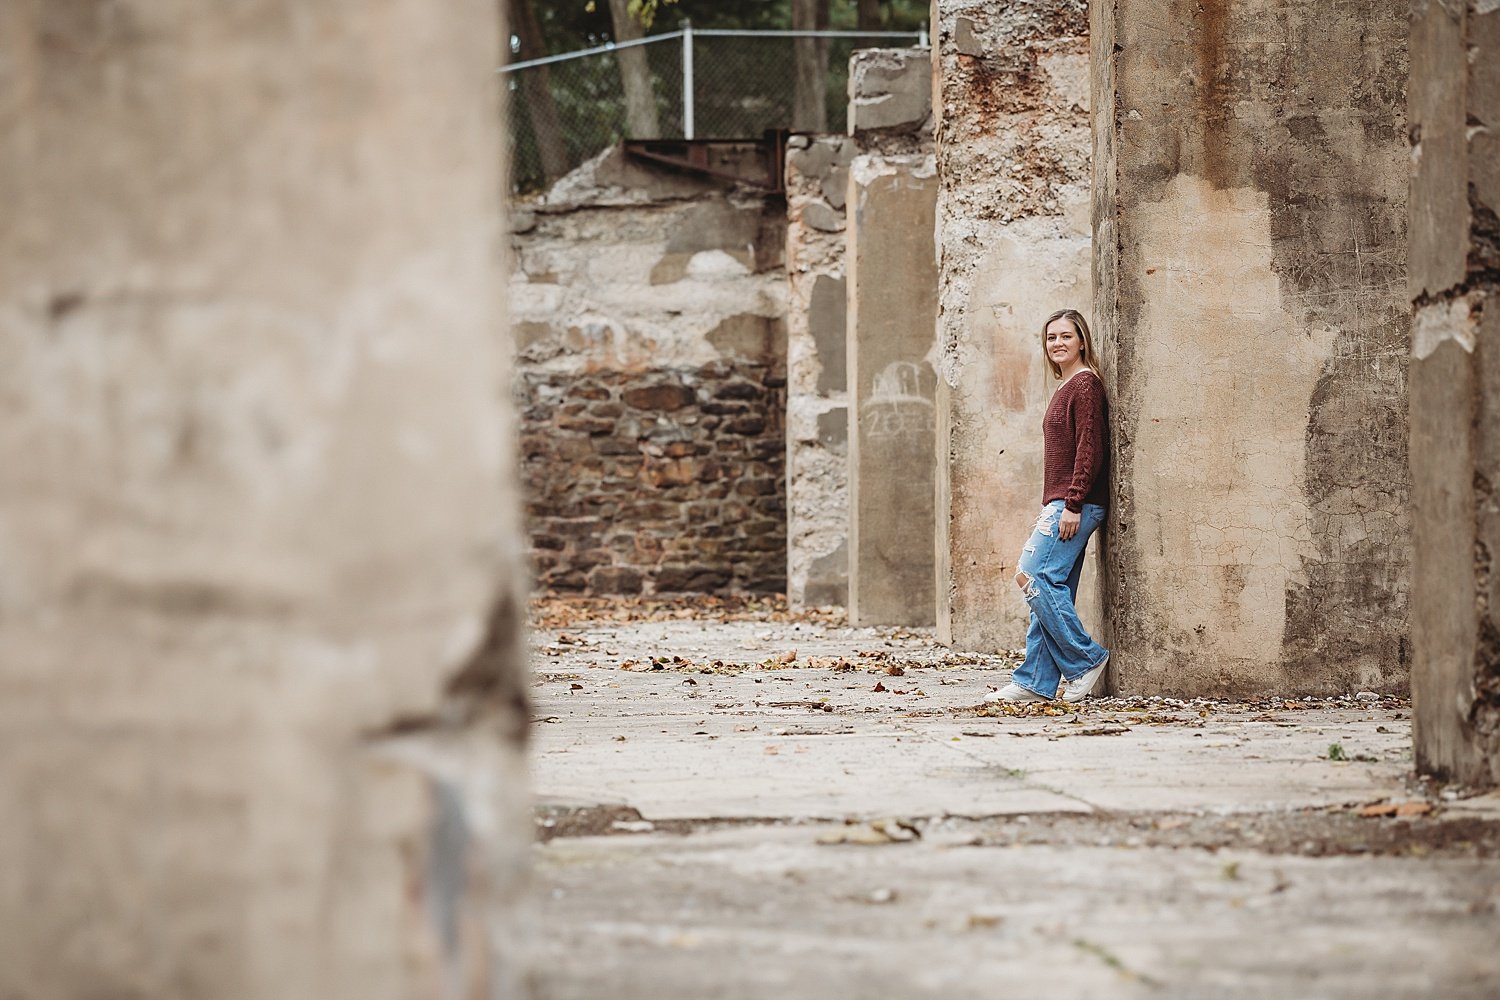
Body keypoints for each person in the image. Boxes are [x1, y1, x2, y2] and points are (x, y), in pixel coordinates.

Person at [988, 308, 1110, 703]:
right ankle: (1036, 682)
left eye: (1066, 336)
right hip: (1062, 501)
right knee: (1051, 588)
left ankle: (1086, 659)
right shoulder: (1067, 386)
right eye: (1051, 337)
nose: (1057, 343)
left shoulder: (1085, 385)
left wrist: (1072, 503)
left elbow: (1089, 450)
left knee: (1032, 577)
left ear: (1082, 341)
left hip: (1075, 503)